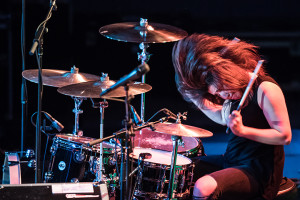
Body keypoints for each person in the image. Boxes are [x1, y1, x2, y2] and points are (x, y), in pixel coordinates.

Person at [172, 33, 292, 200]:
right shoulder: (235, 92)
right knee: (179, 168)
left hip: (258, 171)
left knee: (203, 186)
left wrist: (243, 131)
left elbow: (284, 136)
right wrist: (195, 97)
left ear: (226, 74)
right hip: (232, 160)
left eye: (222, 91)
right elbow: (222, 117)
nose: (222, 96)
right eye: (218, 93)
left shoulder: (266, 89)